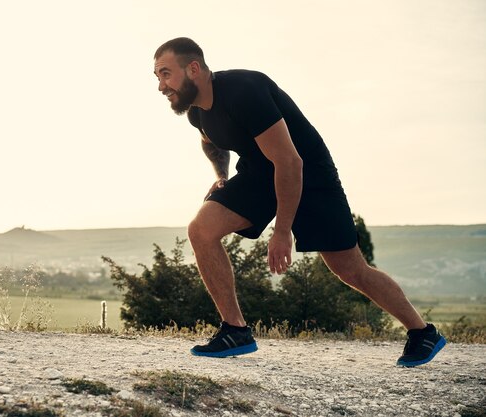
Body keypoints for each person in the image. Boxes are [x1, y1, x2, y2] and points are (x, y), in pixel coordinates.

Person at [153, 37, 446, 367]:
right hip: (261, 171)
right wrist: (221, 174)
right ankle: (235, 330)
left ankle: (423, 333)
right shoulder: (197, 112)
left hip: (309, 173)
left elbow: (290, 163)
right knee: (201, 230)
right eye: (157, 77)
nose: (161, 86)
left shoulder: (244, 91)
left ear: (193, 68)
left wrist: (282, 232)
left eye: (166, 74)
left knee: (350, 269)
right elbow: (211, 142)